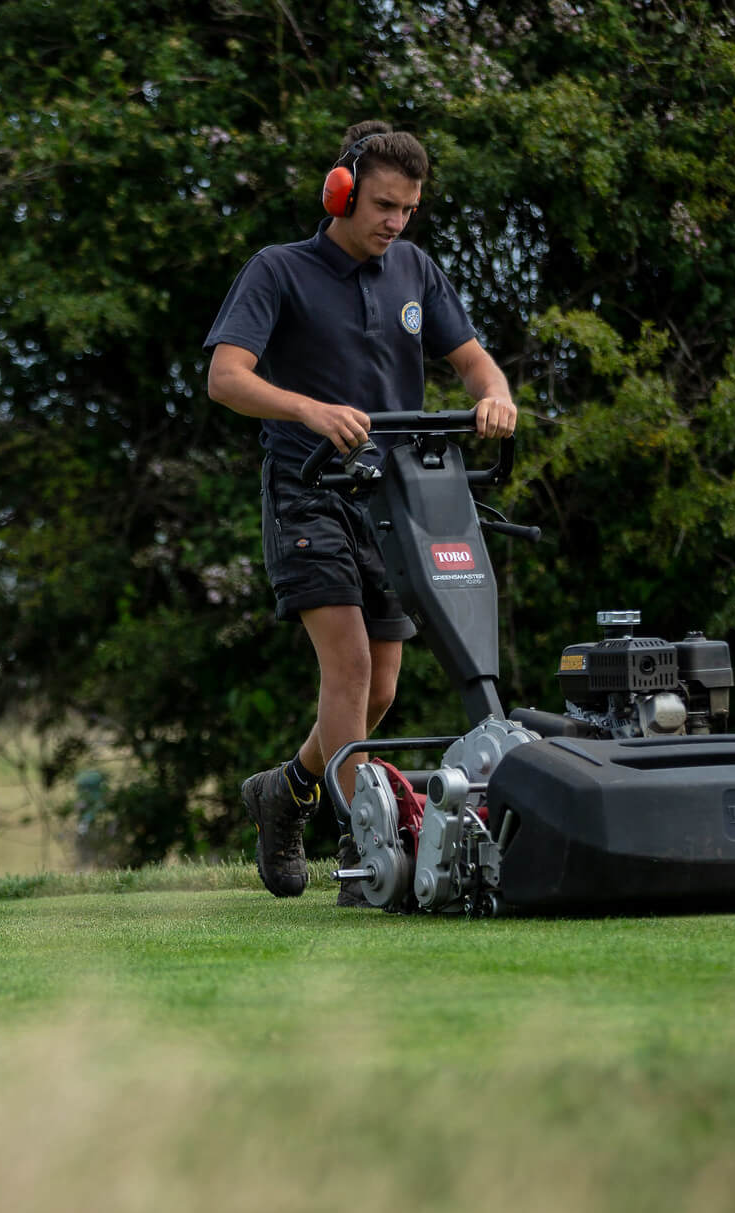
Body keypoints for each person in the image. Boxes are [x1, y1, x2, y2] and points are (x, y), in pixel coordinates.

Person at [203, 120, 517, 904]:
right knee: (345, 668)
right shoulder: (278, 272)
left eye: (407, 209)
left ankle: (288, 789)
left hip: (392, 493)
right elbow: (226, 377)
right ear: (341, 191)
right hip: (308, 484)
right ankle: (361, 845)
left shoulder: (414, 269)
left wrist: (496, 397)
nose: (394, 222)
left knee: (380, 689)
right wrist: (309, 409)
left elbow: (474, 362)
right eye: (382, 205)